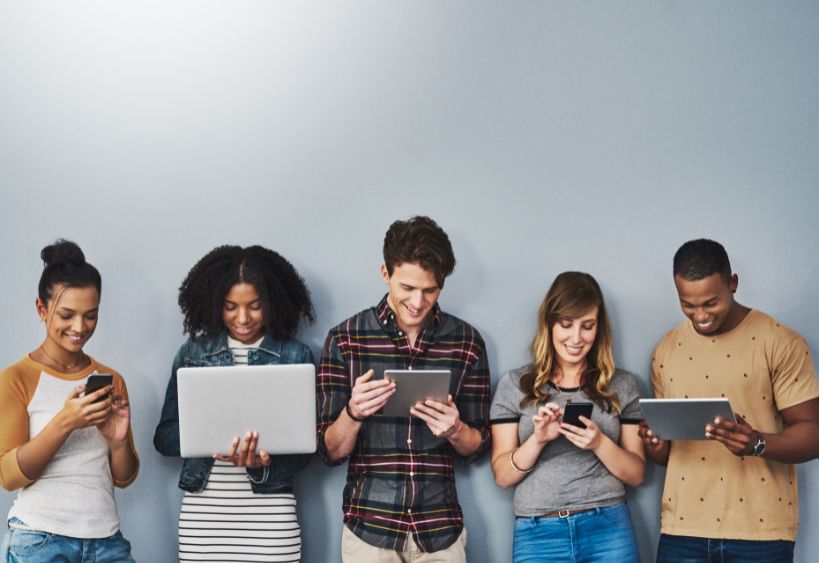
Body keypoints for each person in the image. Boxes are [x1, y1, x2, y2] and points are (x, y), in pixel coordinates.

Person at [316, 216, 490, 562]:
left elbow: (477, 448)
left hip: (439, 529)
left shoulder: (466, 342)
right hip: (369, 527)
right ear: (386, 274)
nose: (417, 301)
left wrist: (456, 430)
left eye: (430, 290)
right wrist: (354, 413)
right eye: (407, 288)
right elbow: (329, 452)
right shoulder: (345, 340)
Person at [639, 239, 819, 562]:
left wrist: (758, 443)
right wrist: (654, 444)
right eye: (688, 305)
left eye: (710, 303)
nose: (700, 315)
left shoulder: (780, 342)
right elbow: (667, 456)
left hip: (760, 535)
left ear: (733, 283)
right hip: (682, 530)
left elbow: (814, 433)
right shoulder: (665, 350)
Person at [153, 245, 316, 563]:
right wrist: (210, 434)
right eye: (230, 307)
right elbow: (164, 438)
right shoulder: (193, 354)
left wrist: (261, 464)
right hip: (205, 524)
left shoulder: (295, 356)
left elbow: (303, 454)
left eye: (255, 306)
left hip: (272, 524)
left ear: (272, 302)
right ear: (215, 304)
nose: (242, 318)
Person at [490, 271, 644, 563]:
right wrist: (537, 440)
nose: (576, 338)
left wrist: (599, 443)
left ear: (599, 328)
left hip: (608, 526)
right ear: (549, 324)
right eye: (566, 325)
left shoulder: (622, 385)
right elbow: (502, 476)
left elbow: (636, 474)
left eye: (587, 326)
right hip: (538, 533)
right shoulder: (514, 384)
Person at [0, 240, 139, 562]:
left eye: (91, 315)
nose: (80, 327)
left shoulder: (111, 379)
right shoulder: (16, 379)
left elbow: (125, 477)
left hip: (106, 538)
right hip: (39, 539)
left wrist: (118, 442)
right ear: (41, 309)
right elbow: (8, 477)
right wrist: (66, 421)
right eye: (67, 315)